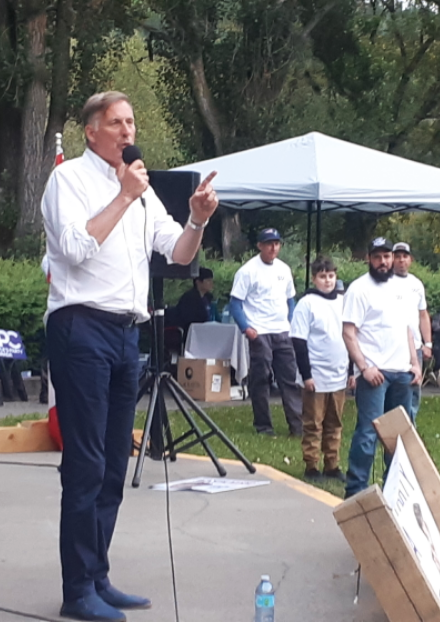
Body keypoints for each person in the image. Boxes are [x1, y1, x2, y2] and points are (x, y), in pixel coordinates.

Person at [42, 91, 218, 622]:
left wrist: (197, 220)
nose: (126, 130)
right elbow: (73, 248)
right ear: (91, 131)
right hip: (80, 327)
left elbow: (177, 253)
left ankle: (98, 575)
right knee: (87, 461)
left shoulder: (142, 189)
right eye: (116, 122)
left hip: (125, 333)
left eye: (131, 121)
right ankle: (77, 591)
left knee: (115, 460)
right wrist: (121, 196)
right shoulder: (68, 180)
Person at [343, 237, 422, 498]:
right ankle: (356, 491)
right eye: (377, 257)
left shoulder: (402, 289)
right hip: (374, 374)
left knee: (399, 437)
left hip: (402, 373)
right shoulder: (359, 289)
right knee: (368, 434)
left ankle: (394, 491)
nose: (383, 261)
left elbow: (407, 329)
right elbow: (349, 333)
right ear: (369, 258)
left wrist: (415, 363)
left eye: (387, 256)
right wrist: (364, 367)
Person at [229, 228, 303, 437]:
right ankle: (263, 425)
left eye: (277, 243)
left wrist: (292, 321)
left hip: (282, 330)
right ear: (260, 246)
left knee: (288, 379)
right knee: (261, 379)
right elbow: (235, 304)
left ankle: (296, 426)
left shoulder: (284, 269)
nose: (273, 248)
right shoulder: (247, 271)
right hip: (260, 330)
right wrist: (247, 328)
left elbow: (290, 299)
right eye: (269, 243)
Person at [290, 257, 354, 483]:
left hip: (338, 373)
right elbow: (299, 341)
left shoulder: (344, 302)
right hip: (316, 374)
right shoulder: (306, 304)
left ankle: (332, 464)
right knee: (313, 423)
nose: (327, 281)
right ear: (314, 278)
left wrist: (351, 371)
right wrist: (306, 375)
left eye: (331, 276)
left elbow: (351, 336)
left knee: (334, 422)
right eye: (322, 276)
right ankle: (311, 465)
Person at [393, 242, 432, 420]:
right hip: (394, 346)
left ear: (410, 260)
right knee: (398, 391)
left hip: (415, 346)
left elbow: (423, 315)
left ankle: (411, 429)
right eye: (398, 256)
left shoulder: (416, 284)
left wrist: (427, 343)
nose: (401, 260)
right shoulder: (386, 282)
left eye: (405, 256)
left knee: (414, 390)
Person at [175, 266, 220, 332]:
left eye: (211, 280)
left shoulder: (209, 297)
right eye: (208, 281)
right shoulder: (188, 299)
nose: (211, 283)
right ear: (198, 282)